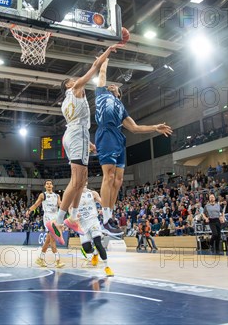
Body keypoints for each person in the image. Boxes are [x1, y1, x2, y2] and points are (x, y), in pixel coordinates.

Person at [46, 44, 120, 245]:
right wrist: (106, 53)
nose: (75, 80)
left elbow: (77, 121)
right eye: (71, 80)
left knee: (83, 179)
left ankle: (72, 217)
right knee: (77, 179)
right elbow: (94, 67)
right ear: (69, 85)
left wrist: (89, 143)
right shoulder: (76, 88)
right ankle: (58, 220)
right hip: (77, 133)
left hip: (76, 134)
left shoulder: (65, 103)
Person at [94, 57, 172, 235]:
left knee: (119, 180)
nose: (112, 86)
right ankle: (105, 219)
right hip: (106, 133)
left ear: (119, 93)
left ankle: (110, 216)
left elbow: (135, 128)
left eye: (115, 87)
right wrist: (105, 58)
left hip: (119, 138)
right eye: (110, 85)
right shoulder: (101, 93)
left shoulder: (121, 107)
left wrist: (155, 127)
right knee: (109, 175)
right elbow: (103, 73)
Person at [77, 183, 113, 276]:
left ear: (87, 182)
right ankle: (95, 253)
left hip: (93, 221)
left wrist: (104, 210)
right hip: (82, 224)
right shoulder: (74, 194)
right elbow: (69, 208)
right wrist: (73, 215)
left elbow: (103, 203)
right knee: (87, 249)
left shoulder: (93, 193)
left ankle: (107, 267)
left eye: (84, 180)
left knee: (98, 243)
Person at [27, 180, 65, 268]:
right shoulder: (43, 195)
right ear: (45, 186)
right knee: (52, 240)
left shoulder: (57, 196)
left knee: (48, 241)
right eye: (47, 184)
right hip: (48, 219)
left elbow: (61, 205)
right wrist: (29, 210)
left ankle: (40, 258)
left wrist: (68, 209)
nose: (49, 185)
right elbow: (36, 204)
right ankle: (58, 261)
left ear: (52, 186)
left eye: (50, 184)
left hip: (56, 219)